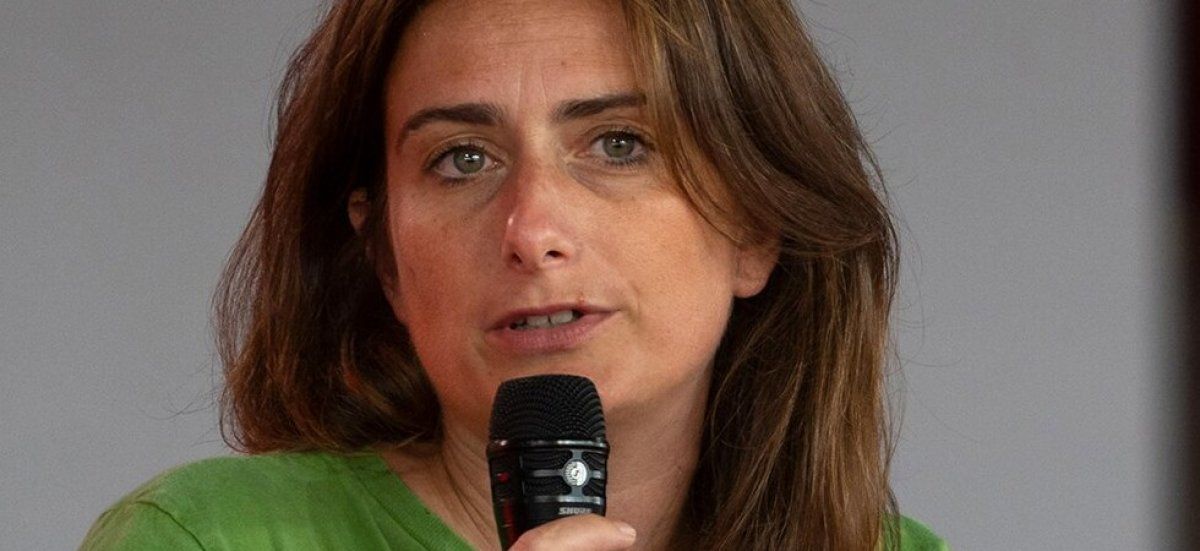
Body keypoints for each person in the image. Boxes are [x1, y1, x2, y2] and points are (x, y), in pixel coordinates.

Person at [81, 0, 947, 549]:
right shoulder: (209, 539)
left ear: (755, 222)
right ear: (384, 255)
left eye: (619, 144)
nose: (532, 232)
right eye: (462, 158)